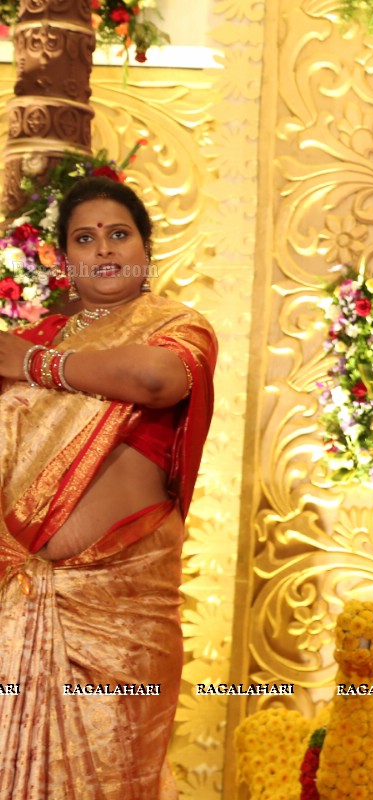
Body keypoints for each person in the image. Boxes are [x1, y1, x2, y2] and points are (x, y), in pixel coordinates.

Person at [0, 176, 217, 797]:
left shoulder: (175, 327)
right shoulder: (36, 335)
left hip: (123, 608)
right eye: (85, 238)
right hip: (16, 597)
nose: (104, 249)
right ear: (65, 260)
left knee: (116, 772)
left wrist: (33, 367)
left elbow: (158, 382)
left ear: (146, 250)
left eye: (118, 234)